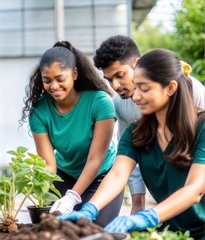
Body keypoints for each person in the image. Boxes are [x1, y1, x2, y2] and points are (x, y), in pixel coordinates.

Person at [59, 49, 205, 239]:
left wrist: (148, 216)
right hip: (166, 232)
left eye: (144, 88)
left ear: (170, 88)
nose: (136, 97)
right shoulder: (137, 132)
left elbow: (195, 189)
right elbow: (118, 174)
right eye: (136, 87)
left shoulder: (201, 127)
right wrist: (90, 209)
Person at [93, 35, 205, 214]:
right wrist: (137, 203)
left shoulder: (195, 93)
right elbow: (124, 166)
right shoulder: (124, 111)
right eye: (109, 79)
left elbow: (197, 184)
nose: (115, 85)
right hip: (165, 201)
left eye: (119, 75)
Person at [21, 41, 123, 226]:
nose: (54, 86)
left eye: (60, 79)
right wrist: (41, 191)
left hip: (101, 175)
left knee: (94, 229)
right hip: (65, 175)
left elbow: (95, 159)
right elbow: (48, 163)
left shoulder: (99, 102)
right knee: (57, 227)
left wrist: (73, 197)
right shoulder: (39, 112)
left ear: (74, 74)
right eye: (47, 80)